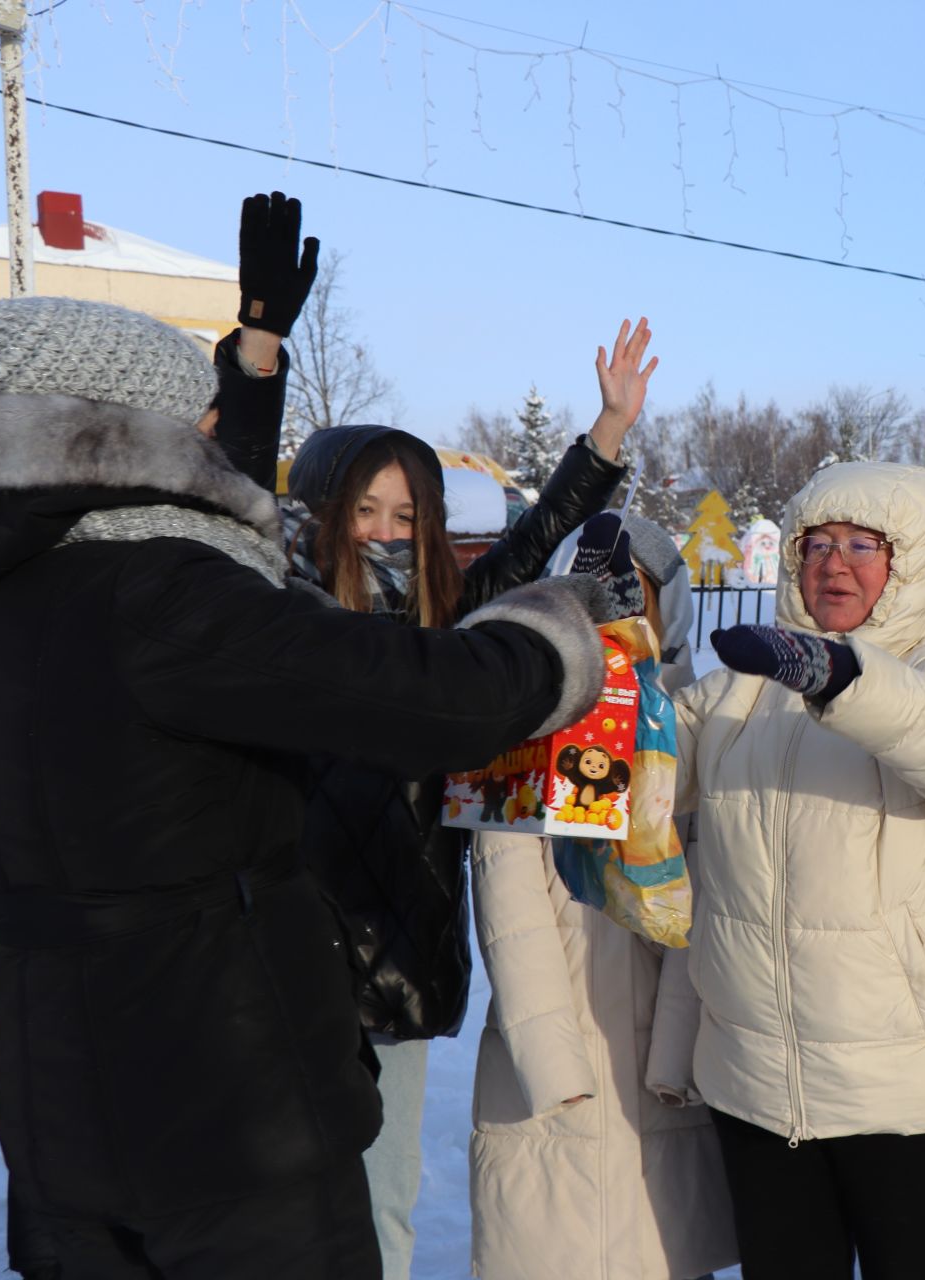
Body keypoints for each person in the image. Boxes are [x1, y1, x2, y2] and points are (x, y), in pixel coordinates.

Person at [0, 294, 609, 1280]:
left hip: (57, 1097)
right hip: (226, 1108)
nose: (212, 431)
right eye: (195, 415)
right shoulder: (162, 589)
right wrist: (553, 635)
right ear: (126, 431)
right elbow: (426, 696)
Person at [276, 320, 655, 1280]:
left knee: (380, 1195)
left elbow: (527, 552)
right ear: (323, 513)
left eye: (409, 516)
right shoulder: (274, 627)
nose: (390, 535)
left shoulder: (450, 635)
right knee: (271, 1197)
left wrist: (605, 435)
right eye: (367, 512)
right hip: (279, 959)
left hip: (398, 960)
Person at [671, 461, 925, 1280]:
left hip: (909, 1088)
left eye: (863, 545)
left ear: (912, 563)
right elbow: (643, 767)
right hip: (759, 1081)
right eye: (817, 544)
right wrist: (591, 659)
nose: (834, 564)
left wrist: (838, 676)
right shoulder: (738, 692)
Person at [468, 511, 737, 1280]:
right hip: (549, 1059)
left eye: (638, 594)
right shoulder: (530, 719)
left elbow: (707, 898)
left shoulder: (695, 724)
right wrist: (553, 1066)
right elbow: (509, 905)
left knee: (665, 1251)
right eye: (594, 593)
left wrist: (675, 1057)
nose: (618, 611)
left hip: (667, 1061)